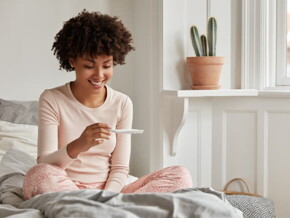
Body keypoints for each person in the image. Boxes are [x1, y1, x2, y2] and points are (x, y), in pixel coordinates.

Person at [23, 10, 192, 200]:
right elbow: (44, 162)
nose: (99, 75)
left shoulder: (122, 103)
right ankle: (107, 209)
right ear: (72, 61)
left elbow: (120, 168)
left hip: (112, 193)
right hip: (66, 186)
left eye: (107, 65)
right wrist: (80, 145)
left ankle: (97, 208)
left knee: (180, 175)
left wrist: (107, 196)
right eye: (89, 66)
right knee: (38, 175)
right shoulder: (52, 99)